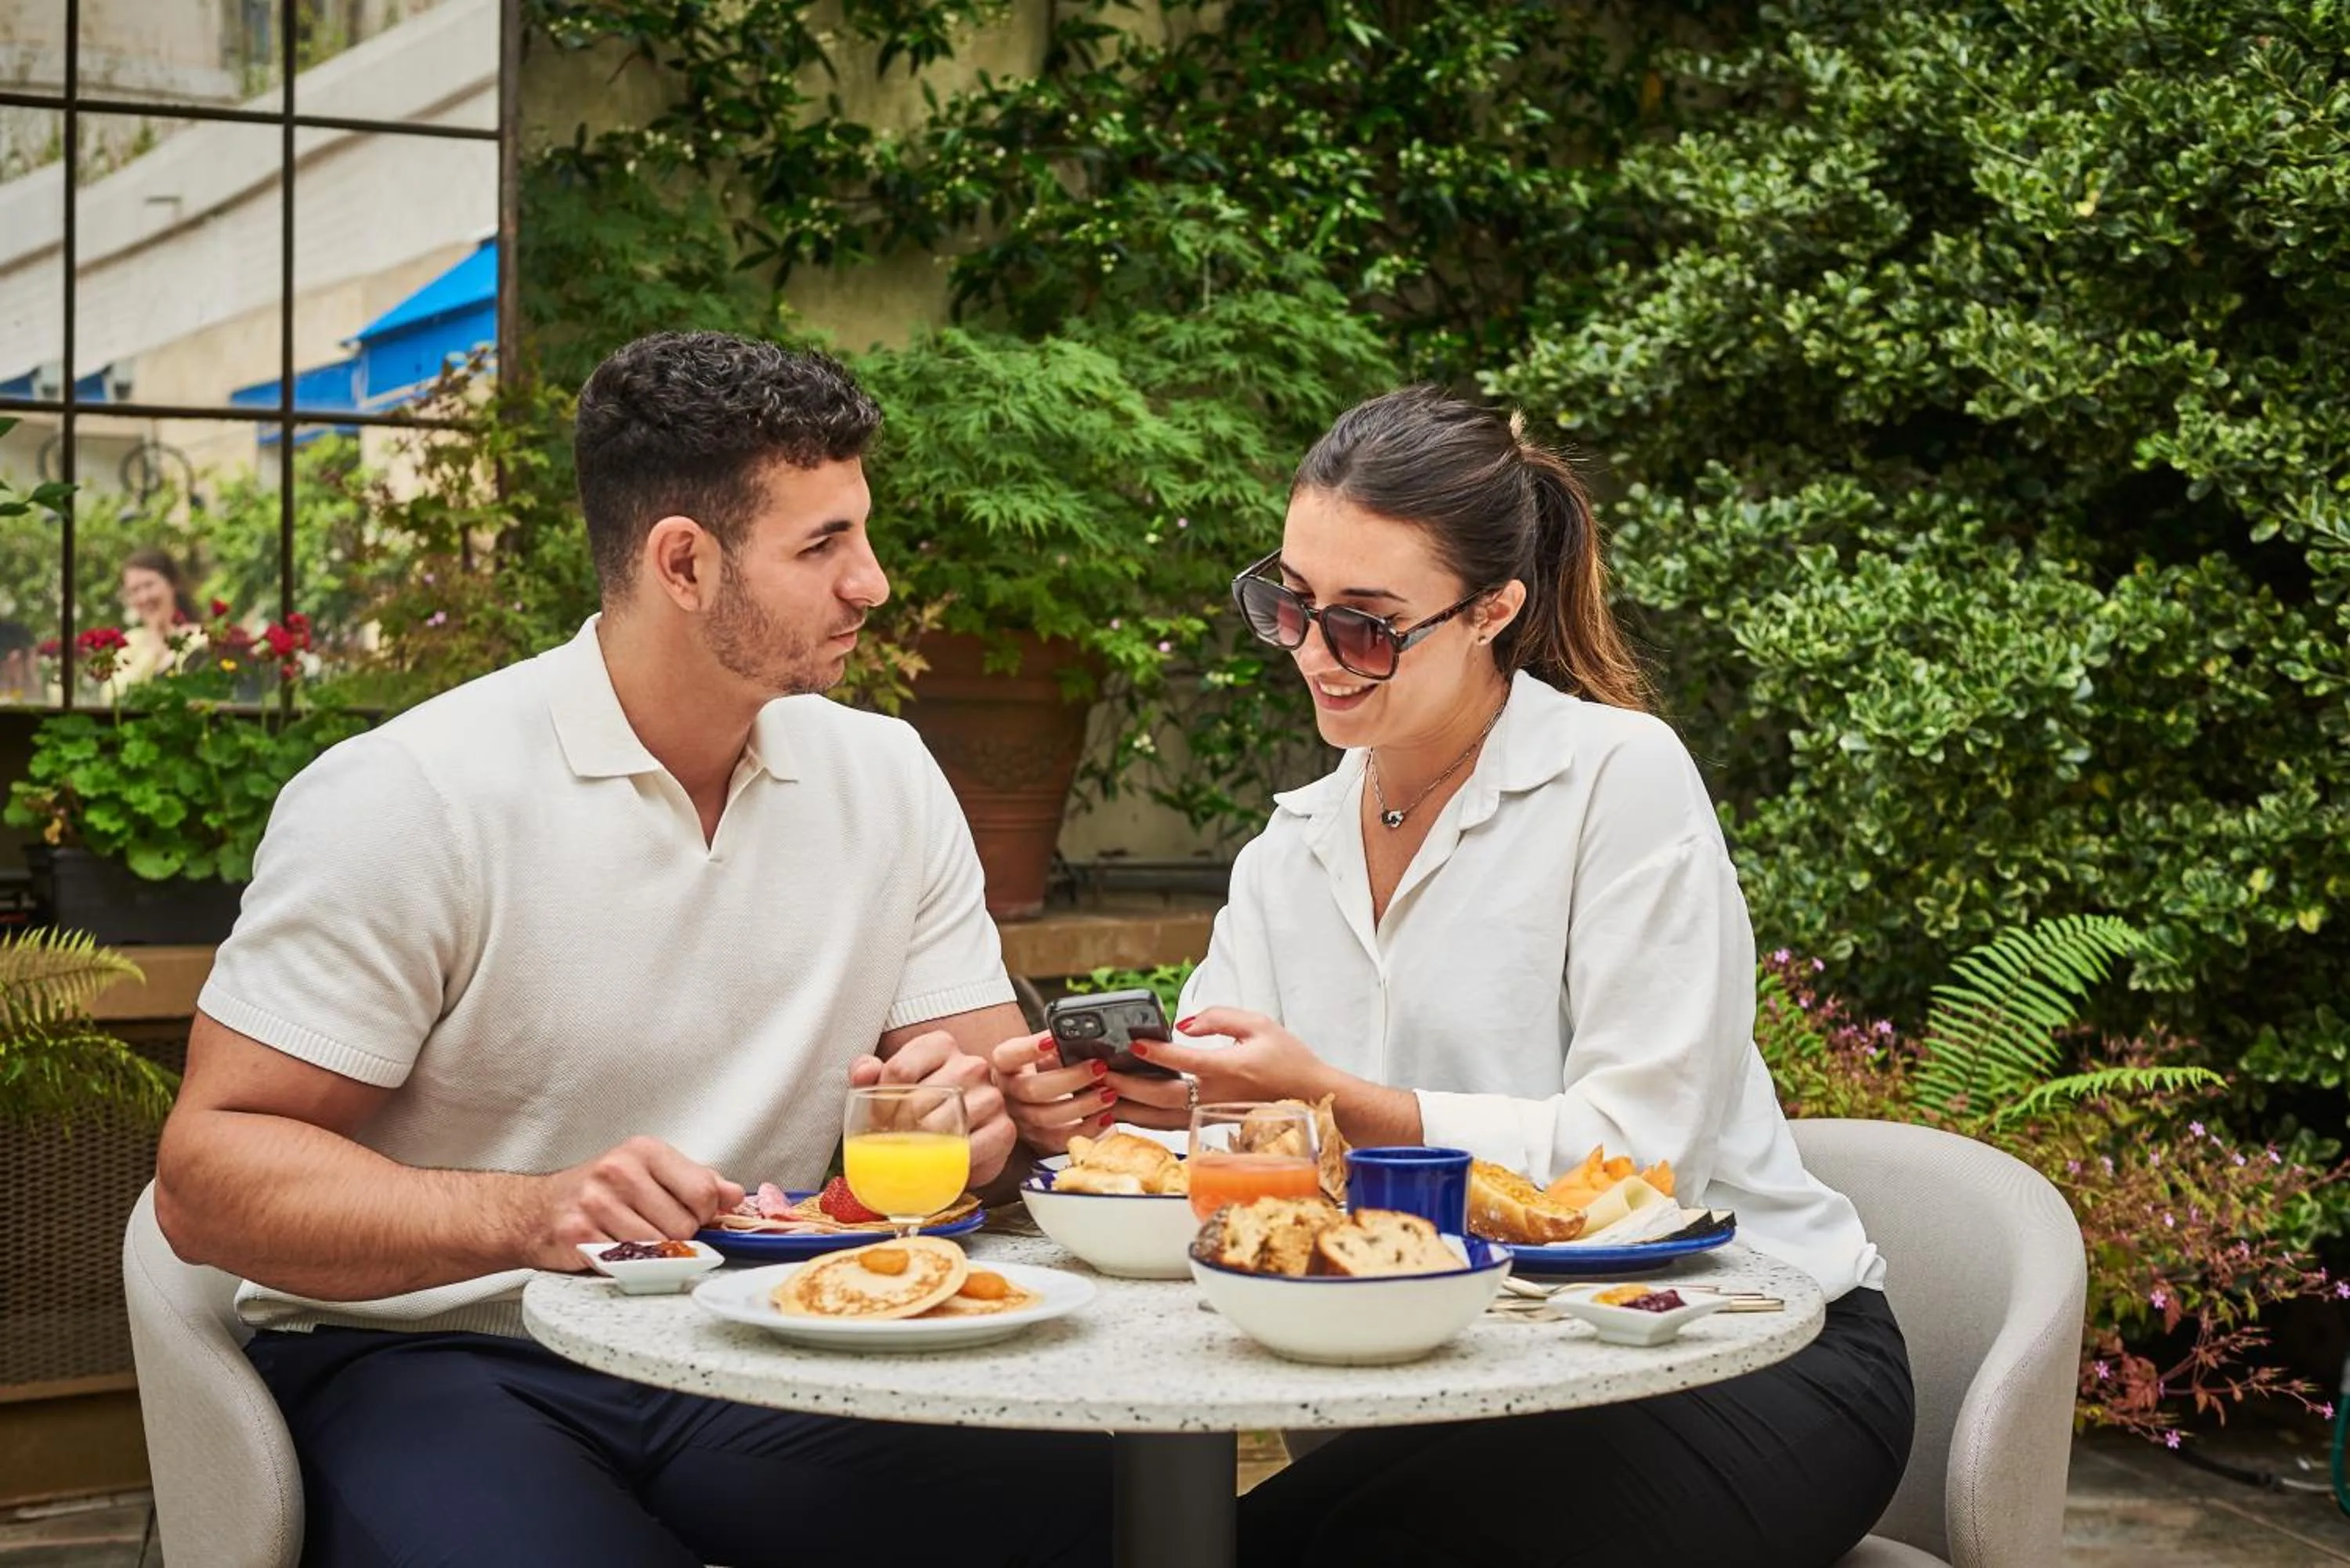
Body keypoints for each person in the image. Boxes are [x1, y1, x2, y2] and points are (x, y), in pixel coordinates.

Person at [154, 331, 1111, 1568]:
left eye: (862, 534)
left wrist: (979, 1126)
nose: (871, 583)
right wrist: (534, 1213)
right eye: (823, 545)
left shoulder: (887, 777)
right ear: (684, 563)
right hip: (434, 1353)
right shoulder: (410, 797)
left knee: (1098, 1501)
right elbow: (208, 1178)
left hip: (749, 1335)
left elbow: (979, 1113)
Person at [996, 387, 1912, 1567]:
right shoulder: (1290, 849)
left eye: (1368, 625)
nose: (1315, 653)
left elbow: (1644, 1158)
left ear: (1493, 610)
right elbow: (1238, 1151)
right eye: (1291, 603)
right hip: (1467, 1369)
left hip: (1738, 1351)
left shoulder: (1618, 780)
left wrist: (1329, 1101)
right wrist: (1124, 1111)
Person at [116, 546, 200, 687]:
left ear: (173, 584)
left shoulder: (199, 639)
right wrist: (152, 654)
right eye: (134, 590)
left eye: (149, 585)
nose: (144, 597)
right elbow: (113, 693)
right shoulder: (129, 643)